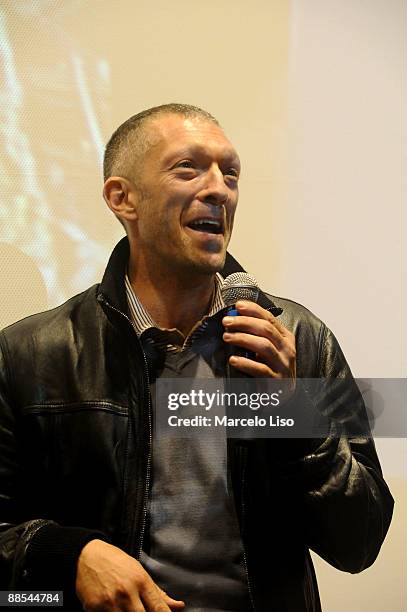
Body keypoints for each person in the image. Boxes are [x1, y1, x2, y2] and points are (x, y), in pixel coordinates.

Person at [0, 103, 393, 611]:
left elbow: (358, 544)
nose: (218, 189)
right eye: (188, 168)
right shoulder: (32, 354)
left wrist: (295, 412)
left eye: (230, 173)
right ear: (123, 199)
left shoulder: (298, 339)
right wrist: (66, 555)